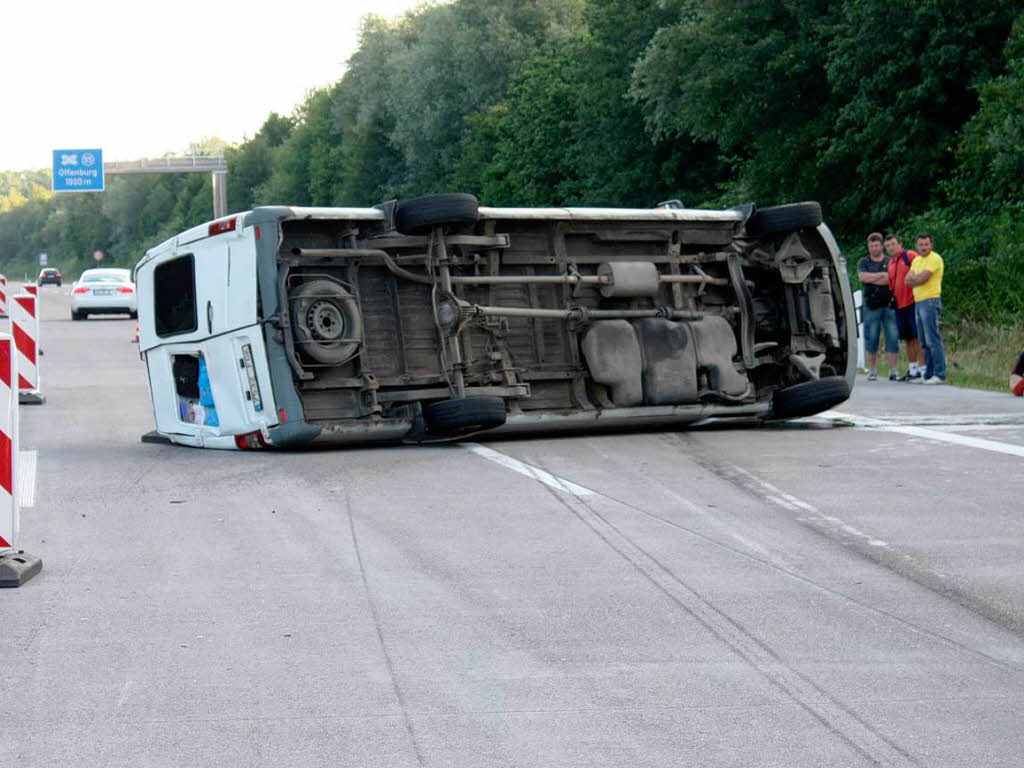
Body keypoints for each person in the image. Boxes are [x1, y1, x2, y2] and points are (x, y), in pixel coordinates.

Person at [905, 233, 946, 384]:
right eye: (920, 245)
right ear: (916, 246)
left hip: (930, 300)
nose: (923, 247)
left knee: (932, 339)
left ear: (931, 245)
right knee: (923, 340)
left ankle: (939, 374)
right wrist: (916, 279)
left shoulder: (934, 258)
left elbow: (923, 278)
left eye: (926, 244)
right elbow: (907, 281)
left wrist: (916, 278)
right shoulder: (916, 260)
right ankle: (928, 374)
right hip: (918, 301)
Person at [858, 233, 899, 380]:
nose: (874, 248)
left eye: (876, 245)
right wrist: (881, 275)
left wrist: (873, 278)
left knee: (893, 336)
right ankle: (872, 370)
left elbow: (891, 279)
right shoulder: (864, 262)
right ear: (868, 247)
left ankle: (893, 370)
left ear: (882, 246)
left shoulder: (890, 261)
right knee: (872, 336)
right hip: (871, 305)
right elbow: (862, 277)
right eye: (871, 246)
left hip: (889, 304)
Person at [883, 234, 924, 380]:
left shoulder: (910, 255)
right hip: (900, 305)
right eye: (887, 246)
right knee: (907, 338)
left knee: (917, 337)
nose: (891, 248)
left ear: (900, 244)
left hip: (913, 302)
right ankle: (912, 370)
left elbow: (923, 268)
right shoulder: (890, 263)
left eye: (893, 244)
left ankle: (923, 369)